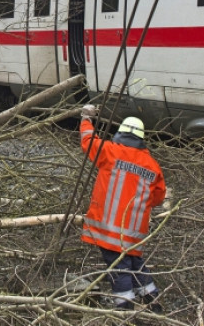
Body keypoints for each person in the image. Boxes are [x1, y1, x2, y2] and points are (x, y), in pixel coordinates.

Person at [80, 107, 166, 312]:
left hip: (109, 230)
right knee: (134, 263)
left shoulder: (109, 151)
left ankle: (124, 309)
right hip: (134, 234)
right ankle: (152, 300)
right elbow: (157, 198)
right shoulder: (152, 166)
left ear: (120, 133)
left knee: (120, 269)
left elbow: (88, 142)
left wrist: (86, 119)